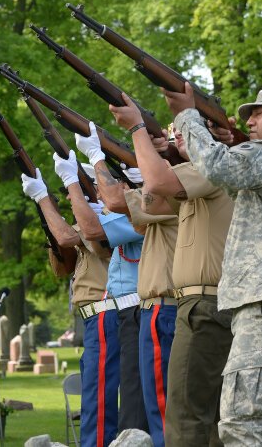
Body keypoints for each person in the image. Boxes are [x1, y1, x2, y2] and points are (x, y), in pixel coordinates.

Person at [158, 84, 262, 445]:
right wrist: (202, 143)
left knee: (242, 419)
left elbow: (219, 167)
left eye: (260, 113)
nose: (251, 120)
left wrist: (186, 115)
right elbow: (228, 176)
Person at [108, 99, 235, 446]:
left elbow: (157, 185)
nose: (176, 132)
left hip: (204, 305)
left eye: (186, 127)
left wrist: (137, 130)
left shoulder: (212, 169)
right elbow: (147, 198)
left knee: (183, 415)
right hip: (198, 303)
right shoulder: (203, 172)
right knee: (206, 417)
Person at [76, 122, 179, 447]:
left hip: (148, 309)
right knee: (136, 408)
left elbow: (95, 230)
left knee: (146, 411)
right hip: (135, 311)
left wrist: (86, 169)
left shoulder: (157, 203)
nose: (99, 187)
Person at [21, 163, 119, 447]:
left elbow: (68, 237)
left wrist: (43, 199)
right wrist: (47, 213)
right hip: (94, 319)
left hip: (106, 313)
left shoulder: (103, 219)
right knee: (93, 397)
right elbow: (61, 267)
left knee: (98, 398)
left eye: (74, 189)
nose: (68, 196)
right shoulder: (84, 222)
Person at [54, 150, 149, 441]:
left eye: (87, 190)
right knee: (112, 401)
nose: (72, 198)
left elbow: (91, 237)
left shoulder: (125, 215)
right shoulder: (112, 216)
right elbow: (61, 256)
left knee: (118, 405)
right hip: (115, 314)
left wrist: (75, 185)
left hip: (122, 311)